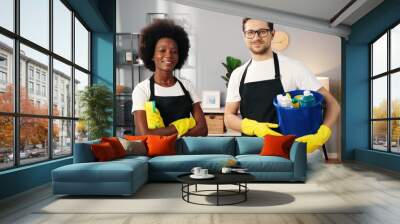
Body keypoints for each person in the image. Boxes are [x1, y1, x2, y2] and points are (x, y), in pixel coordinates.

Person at [224, 18, 340, 152]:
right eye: (250, 32)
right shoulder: (238, 74)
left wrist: (322, 133)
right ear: (244, 35)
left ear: (272, 34)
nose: (256, 37)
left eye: (262, 32)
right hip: (250, 150)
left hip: (287, 149)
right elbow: (228, 117)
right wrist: (253, 127)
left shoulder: (294, 67)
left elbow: (333, 105)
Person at [132, 19, 207, 137]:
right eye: (162, 50)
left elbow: (203, 129)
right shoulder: (142, 89)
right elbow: (143, 134)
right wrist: (182, 126)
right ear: (152, 55)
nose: (168, 55)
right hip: (157, 154)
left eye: (174, 51)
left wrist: (163, 135)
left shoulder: (187, 86)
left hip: (186, 152)